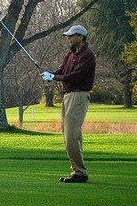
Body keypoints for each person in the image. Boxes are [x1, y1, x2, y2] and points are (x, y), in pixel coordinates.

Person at [41, 24, 96, 183]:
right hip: (68, 96)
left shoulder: (88, 55)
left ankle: (80, 173)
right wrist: (49, 74)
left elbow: (75, 76)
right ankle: (77, 171)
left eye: (72, 36)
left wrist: (54, 78)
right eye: (68, 36)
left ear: (81, 37)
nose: (69, 38)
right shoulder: (70, 55)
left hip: (79, 95)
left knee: (72, 135)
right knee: (68, 135)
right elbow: (61, 71)